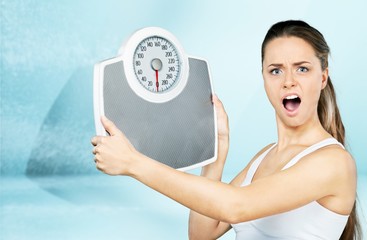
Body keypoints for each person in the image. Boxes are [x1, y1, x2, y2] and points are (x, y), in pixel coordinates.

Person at [91, 20, 360, 239]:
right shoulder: (264, 157)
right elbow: (202, 233)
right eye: (275, 71)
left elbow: (236, 207)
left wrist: (134, 163)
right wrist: (216, 152)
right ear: (264, 78)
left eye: (302, 69)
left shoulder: (334, 162)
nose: (289, 81)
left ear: (322, 77)